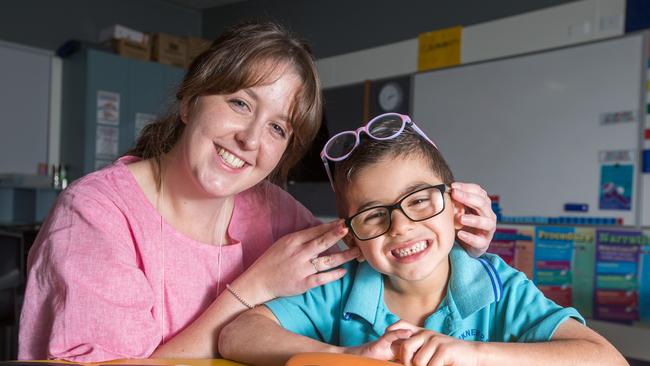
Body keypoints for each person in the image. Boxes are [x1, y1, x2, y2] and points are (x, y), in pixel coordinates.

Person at [18, 22, 497, 362]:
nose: (251, 139)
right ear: (189, 101)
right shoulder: (97, 214)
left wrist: (454, 230)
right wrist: (252, 289)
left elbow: (376, 240)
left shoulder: (271, 209)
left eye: (278, 128)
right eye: (240, 102)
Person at [219, 113, 628, 366]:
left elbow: (605, 359)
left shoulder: (499, 288)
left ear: (456, 204)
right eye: (374, 214)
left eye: (418, 200)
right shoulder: (338, 289)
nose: (400, 227)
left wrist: (473, 356)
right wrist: (348, 358)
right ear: (353, 238)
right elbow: (237, 335)